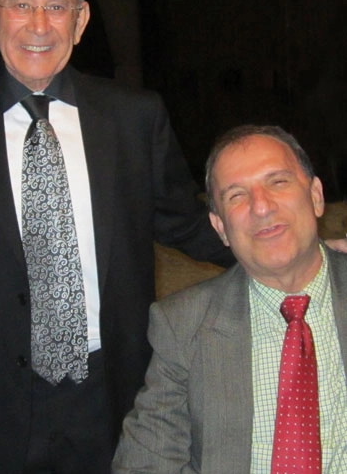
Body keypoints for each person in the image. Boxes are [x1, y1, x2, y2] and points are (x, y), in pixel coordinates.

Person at [0, 0, 234, 473]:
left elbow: (188, 224)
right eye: (21, 5)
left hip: (111, 394)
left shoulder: (133, 118)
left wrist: (295, 255)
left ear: (80, 21)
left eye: (57, 7)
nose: (39, 24)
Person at [112, 125, 347, 473]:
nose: (262, 206)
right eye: (236, 195)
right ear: (220, 227)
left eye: (278, 182)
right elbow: (147, 463)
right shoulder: (183, 325)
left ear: (315, 196)